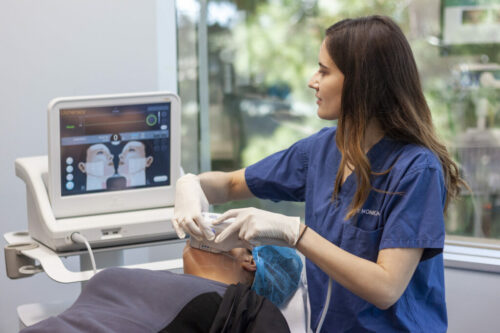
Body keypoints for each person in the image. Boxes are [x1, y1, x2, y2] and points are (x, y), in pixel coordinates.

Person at [172, 15, 467, 332]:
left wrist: (296, 234)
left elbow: (386, 288)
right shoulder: (321, 151)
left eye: (324, 71)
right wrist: (191, 186)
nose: (313, 81)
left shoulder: (416, 169)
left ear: (360, 82)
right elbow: (229, 185)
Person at [21, 242, 305, 333]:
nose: (212, 225)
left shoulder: (237, 307)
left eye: (229, 227)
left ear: (248, 260)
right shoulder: (166, 283)